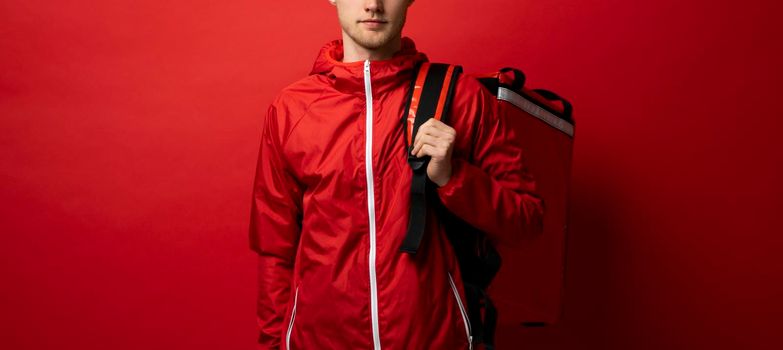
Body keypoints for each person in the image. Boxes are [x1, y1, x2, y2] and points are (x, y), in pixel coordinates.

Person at [249, 0, 544, 349]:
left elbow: (527, 220)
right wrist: (271, 344)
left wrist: (454, 178)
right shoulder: (291, 109)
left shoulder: (460, 96)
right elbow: (275, 249)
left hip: (432, 338)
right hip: (320, 339)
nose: (373, 5)